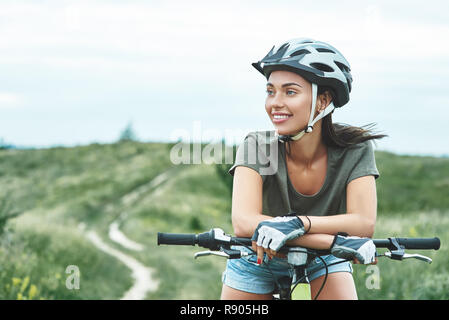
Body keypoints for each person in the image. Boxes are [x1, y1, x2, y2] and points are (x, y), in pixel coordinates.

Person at [220, 38, 388, 300]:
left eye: (290, 92)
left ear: (322, 101)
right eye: (270, 91)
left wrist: (298, 224)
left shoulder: (355, 150)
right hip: (255, 256)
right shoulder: (255, 145)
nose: (274, 102)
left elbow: (363, 224)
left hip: (325, 260)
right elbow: (244, 223)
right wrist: (333, 241)